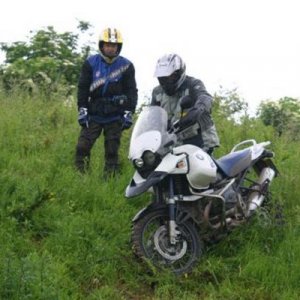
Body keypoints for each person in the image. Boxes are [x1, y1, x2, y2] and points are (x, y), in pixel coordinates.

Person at [75, 27, 138, 176]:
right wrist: (82, 109)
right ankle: (81, 177)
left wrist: (129, 112)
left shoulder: (127, 66)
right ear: (102, 45)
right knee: (82, 147)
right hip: (94, 112)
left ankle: (109, 181)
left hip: (115, 114)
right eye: (108, 45)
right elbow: (83, 87)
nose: (110, 48)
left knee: (111, 151)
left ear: (118, 47)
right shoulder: (90, 63)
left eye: (114, 45)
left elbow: (131, 91)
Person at [151, 53, 219, 154]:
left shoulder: (193, 84)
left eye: (170, 77)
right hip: (173, 141)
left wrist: (198, 109)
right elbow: (152, 115)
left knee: (203, 168)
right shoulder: (157, 92)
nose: (166, 81)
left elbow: (205, 97)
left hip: (199, 138)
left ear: (179, 73)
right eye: (163, 78)